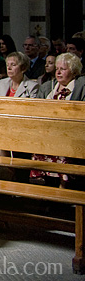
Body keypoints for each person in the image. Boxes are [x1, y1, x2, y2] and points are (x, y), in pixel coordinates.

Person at [32, 53, 85, 187]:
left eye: (63, 69)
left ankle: (65, 190)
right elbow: (37, 110)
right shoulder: (47, 87)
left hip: (71, 135)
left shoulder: (81, 87)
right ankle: (50, 191)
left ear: (73, 72)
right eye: (57, 69)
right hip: (48, 134)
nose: (59, 72)